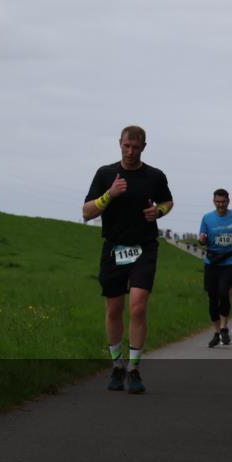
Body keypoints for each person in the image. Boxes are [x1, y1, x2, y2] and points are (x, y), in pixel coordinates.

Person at [83, 125, 174, 394]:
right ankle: (116, 366)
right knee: (113, 309)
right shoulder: (106, 174)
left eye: (136, 147)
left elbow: (168, 201)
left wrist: (158, 212)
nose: (131, 151)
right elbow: (87, 212)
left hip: (144, 247)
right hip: (114, 248)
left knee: (136, 306)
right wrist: (109, 195)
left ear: (144, 147)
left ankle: (133, 369)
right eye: (126, 146)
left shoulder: (154, 176)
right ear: (119, 144)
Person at [199, 189, 232, 347]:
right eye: (217, 201)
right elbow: (202, 239)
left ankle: (224, 328)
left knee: (224, 292)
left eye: (223, 201)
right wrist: (202, 239)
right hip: (212, 261)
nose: (220, 204)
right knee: (213, 298)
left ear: (228, 201)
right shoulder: (207, 218)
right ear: (213, 201)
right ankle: (216, 332)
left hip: (230, 261)